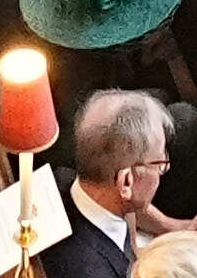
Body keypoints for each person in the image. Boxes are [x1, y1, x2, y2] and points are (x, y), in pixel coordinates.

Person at [49, 90, 176, 278]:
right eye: (160, 163)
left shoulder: (61, 180)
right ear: (126, 181)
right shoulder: (91, 270)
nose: (165, 166)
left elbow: (126, 200)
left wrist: (168, 226)